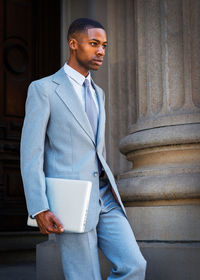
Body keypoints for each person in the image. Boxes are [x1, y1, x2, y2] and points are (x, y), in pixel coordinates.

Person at [20, 18, 146, 279]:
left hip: (105, 196)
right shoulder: (44, 89)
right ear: (73, 44)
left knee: (133, 265)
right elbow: (31, 153)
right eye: (94, 44)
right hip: (71, 200)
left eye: (104, 45)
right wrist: (39, 207)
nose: (101, 50)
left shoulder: (99, 93)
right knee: (84, 275)